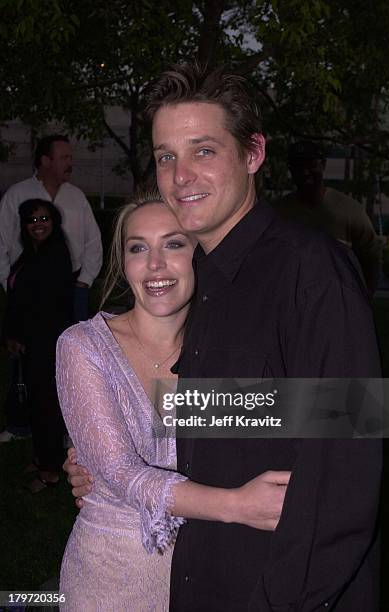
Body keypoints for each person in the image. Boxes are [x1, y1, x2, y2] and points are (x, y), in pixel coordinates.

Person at [66, 64, 382, 611]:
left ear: (253, 154)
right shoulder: (203, 280)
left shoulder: (310, 270)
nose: (181, 175)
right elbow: (252, 413)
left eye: (203, 151)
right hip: (198, 578)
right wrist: (111, 462)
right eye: (167, 156)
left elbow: (350, 459)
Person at [56, 193, 290, 611]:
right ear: (123, 264)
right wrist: (239, 505)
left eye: (174, 243)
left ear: (200, 255)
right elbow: (122, 473)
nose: (155, 264)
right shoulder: (83, 345)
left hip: (203, 578)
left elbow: (326, 412)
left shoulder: (217, 354)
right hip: (108, 582)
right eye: (138, 247)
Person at [2, 199, 73, 490]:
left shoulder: (55, 255)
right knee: (36, 402)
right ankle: (41, 455)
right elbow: (18, 301)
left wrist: (22, 337)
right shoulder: (32, 253)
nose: (38, 224)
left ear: (54, 222)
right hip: (33, 342)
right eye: (32, 220)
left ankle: (51, 470)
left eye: (44, 218)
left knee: (47, 406)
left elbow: (43, 307)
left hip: (47, 343)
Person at [0, 134, 102, 322]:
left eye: (70, 158)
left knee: (72, 346)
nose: (70, 163)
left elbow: (93, 241)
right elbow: (1, 242)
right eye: (64, 158)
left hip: (72, 288)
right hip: (29, 288)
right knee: (33, 346)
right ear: (46, 161)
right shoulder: (17, 195)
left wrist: (84, 281)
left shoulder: (76, 196)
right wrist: (10, 283)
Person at [273, 140, 382, 295]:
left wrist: (364, 298)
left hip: (336, 305)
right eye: (298, 167)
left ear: (322, 165)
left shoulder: (350, 211)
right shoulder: (278, 213)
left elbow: (371, 257)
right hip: (291, 305)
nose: (305, 172)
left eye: (311, 164)